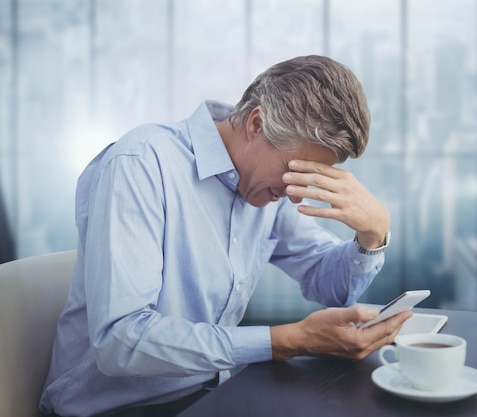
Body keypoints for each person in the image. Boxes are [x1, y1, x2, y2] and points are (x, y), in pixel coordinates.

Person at [39, 55, 412, 417]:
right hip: (114, 409)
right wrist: (287, 340)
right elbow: (120, 340)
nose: (297, 193)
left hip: (205, 396)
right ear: (256, 124)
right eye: (295, 171)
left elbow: (327, 283)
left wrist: (373, 233)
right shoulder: (142, 163)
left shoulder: (267, 186)